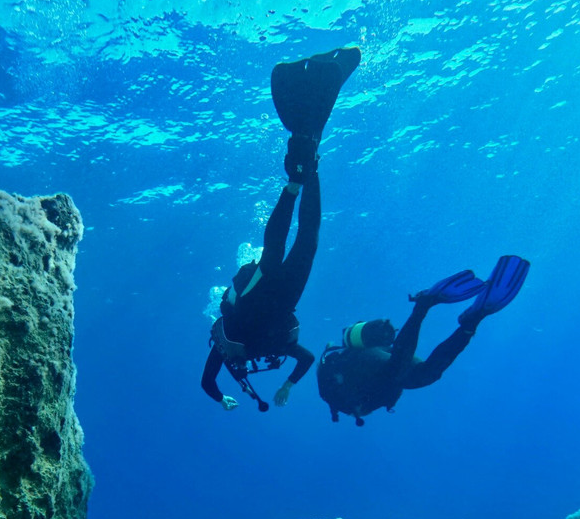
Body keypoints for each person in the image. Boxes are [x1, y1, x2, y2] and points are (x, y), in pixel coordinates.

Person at [202, 46, 361, 412]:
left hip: (253, 300)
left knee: (272, 254)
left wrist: (220, 396)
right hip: (286, 298)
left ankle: (293, 185)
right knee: (309, 242)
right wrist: (288, 384)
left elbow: (206, 380)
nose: (245, 366)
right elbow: (305, 360)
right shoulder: (281, 348)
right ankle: (312, 165)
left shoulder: (226, 349)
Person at [317, 255, 530, 425]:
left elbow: (389, 369)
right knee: (424, 374)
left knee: (403, 371)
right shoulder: (360, 395)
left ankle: (424, 304)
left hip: (365, 364)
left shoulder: (348, 391)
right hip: (378, 371)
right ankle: (471, 321)